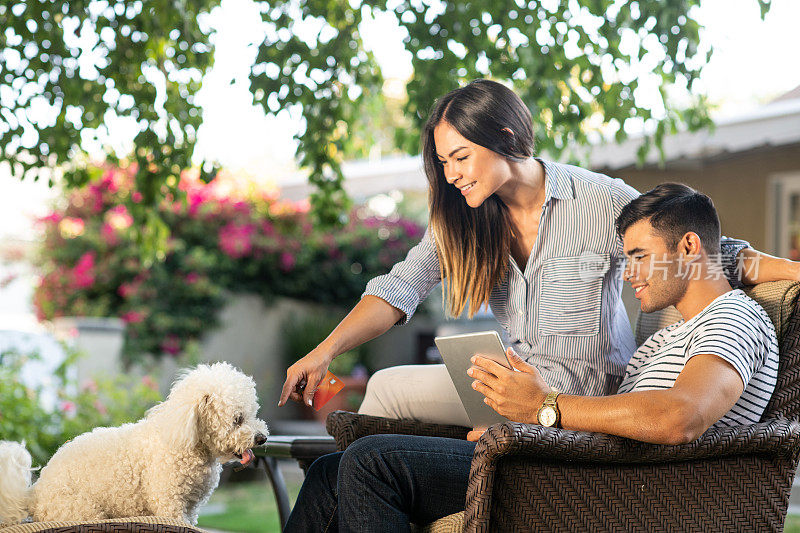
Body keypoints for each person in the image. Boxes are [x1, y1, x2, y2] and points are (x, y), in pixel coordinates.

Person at [278, 79, 796, 427]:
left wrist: (793, 269)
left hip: (589, 399)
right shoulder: (463, 221)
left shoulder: (598, 200)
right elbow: (400, 287)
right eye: (443, 162)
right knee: (386, 408)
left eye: (461, 156)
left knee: (387, 399)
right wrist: (326, 350)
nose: (452, 174)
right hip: (514, 388)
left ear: (505, 138)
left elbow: (703, 253)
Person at [282, 183, 779, 532]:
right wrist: (525, 422)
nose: (628, 274)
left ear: (688, 246)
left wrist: (544, 408)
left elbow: (681, 417)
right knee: (334, 470)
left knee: (374, 463)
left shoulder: (732, 318)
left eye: (639, 257)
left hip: (612, 489)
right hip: (570, 460)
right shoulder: (668, 335)